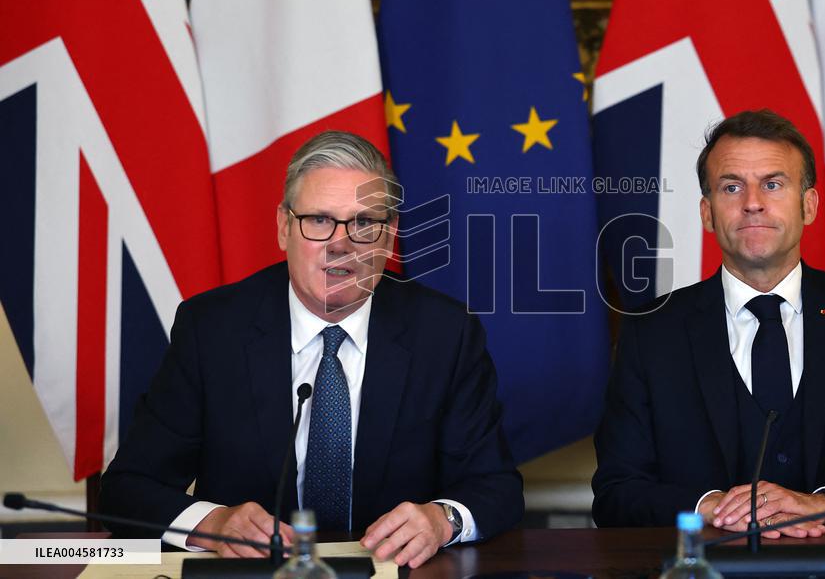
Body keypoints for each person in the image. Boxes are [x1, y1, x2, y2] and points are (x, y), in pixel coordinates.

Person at [100, 131, 523, 568]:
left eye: (363, 222)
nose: (341, 243)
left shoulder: (445, 332)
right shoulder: (212, 329)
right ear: (284, 227)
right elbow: (129, 486)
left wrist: (442, 519)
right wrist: (215, 522)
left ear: (390, 236)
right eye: (319, 220)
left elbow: (496, 486)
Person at [592, 109, 825, 537]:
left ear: (809, 205)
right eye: (731, 187)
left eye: (773, 184)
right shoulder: (651, 332)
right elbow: (616, 493)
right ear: (707, 214)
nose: (753, 202)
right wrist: (711, 507)